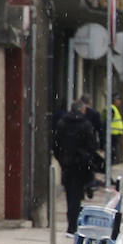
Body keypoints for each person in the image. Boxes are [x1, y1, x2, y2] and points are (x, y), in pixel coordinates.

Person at [53, 100, 98, 235]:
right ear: (82, 110)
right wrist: (87, 158)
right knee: (77, 196)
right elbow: (92, 146)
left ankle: (71, 224)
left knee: (70, 194)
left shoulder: (62, 124)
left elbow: (55, 146)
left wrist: (62, 160)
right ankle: (74, 226)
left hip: (67, 165)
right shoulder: (86, 125)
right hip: (81, 165)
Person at [106, 95, 123, 185]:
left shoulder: (113, 108)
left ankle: (108, 177)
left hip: (114, 136)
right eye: (118, 100)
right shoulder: (111, 108)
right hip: (112, 136)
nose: (119, 102)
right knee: (110, 158)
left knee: (112, 157)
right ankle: (108, 177)